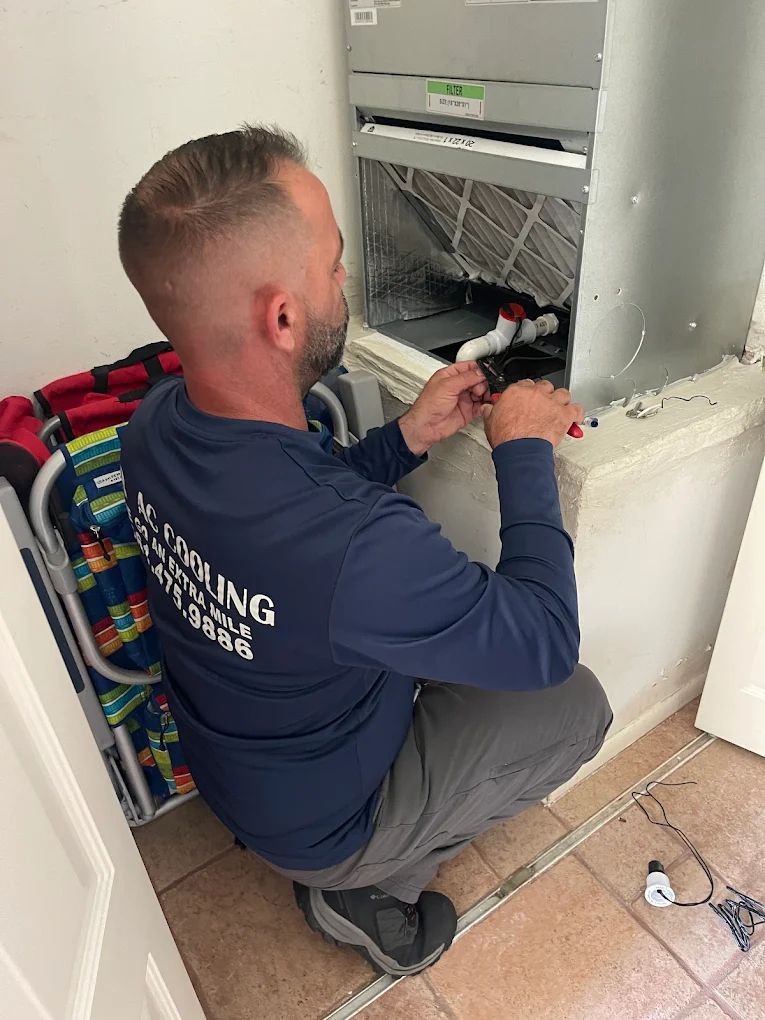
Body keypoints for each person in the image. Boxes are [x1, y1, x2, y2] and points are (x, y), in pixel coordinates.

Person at [118, 124, 612, 977]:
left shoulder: (157, 425)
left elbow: (293, 511)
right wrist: (523, 448)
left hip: (235, 759)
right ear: (282, 315)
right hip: (320, 828)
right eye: (334, 265)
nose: (345, 281)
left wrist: (406, 439)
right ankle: (362, 891)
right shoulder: (357, 550)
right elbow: (540, 640)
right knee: (576, 704)